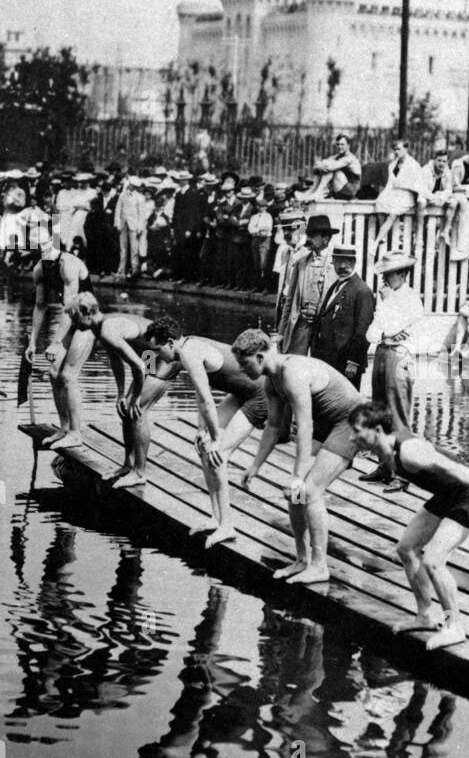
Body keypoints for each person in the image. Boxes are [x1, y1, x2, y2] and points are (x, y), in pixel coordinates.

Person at [349, 401, 469, 650]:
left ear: (377, 430)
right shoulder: (386, 450)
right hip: (447, 494)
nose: (351, 436)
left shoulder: (410, 452)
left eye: (356, 431)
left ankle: (454, 626)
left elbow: (462, 471)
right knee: (406, 549)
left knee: (433, 559)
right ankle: (425, 615)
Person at [235, 329, 365, 586]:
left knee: (309, 490)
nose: (240, 370)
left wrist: (297, 474)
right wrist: (255, 466)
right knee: (294, 495)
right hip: (328, 422)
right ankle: (302, 560)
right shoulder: (271, 381)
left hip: (352, 422)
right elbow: (273, 427)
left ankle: (320, 566)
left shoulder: (292, 374)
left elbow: (304, 426)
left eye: (244, 363)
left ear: (260, 357)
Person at [143, 318, 269, 550]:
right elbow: (200, 396)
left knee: (217, 453)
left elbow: (207, 400)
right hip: (240, 392)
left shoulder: (189, 353)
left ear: (170, 342)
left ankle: (228, 525)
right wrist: (203, 431)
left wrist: (215, 437)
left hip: (260, 396)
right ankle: (216, 518)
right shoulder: (185, 349)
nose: (157, 355)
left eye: (158, 350)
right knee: (204, 448)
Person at [66, 295, 176, 488]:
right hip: (149, 354)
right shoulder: (101, 327)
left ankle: (139, 472)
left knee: (137, 411)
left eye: (74, 317)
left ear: (86, 313)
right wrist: (120, 394)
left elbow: (139, 367)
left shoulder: (107, 330)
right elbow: (116, 360)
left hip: (163, 354)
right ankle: (128, 465)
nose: (73, 323)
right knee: (126, 408)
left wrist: (134, 397)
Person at [27, 228, 94, 450]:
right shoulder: (39, 269)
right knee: (53, 373)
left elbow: (69, 307)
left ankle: (76, 433)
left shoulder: (68, 265)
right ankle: (65, 428)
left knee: (67, 376)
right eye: (38, 247)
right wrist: (32, 343)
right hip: (70, 321)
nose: (43, 250)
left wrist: (56, 342)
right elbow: (40, 306)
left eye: (46, 245)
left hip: (87, 323)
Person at [362, 251, 423, 486]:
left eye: (390, 274)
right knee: (379, 414)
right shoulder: (387, 298)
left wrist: (385, 329)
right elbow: (373, 332)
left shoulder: (409, 299)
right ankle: (385, 466)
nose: (385, 279)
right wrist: (384, 330)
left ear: (403, 274)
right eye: (384, 274)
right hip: (381, 354)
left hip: (399, 357)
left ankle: (403, 474)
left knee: (398, 418)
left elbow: (389, 329)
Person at [309, 244, 375, 385]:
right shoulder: (335, 287)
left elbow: (363, 330)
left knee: (346, 404)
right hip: (327, 358)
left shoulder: (362, 291)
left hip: (345, 362)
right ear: (333, 261)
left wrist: (354, 362)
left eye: (348, 261)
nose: (343, 266)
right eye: (338, 261)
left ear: (354, 262)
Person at [276, 214, 338, 354]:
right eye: (308, 234)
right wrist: (281, 332)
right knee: (295, 364)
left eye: (312, 235)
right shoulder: (301, 263)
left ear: (325, 238)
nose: (308, 239)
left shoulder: (335, 265)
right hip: (300, 324)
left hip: (323, 327)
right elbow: (290, 300)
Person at [373, 138, 424, 251]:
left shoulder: (413, 165)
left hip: (408, 195)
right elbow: (390, 184)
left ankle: (377, 241)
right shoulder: (392, 165)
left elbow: (419, 185)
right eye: (395, 149)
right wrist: (383, 195)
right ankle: (383, 234)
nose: (397, 152)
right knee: (379, 202)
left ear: (406, 149)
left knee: (393, 212)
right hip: (394, 193)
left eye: (399, 149)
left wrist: (419, 200)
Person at [300, 133, 361, 202]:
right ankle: (312, 191)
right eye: (338, 144)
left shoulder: (350, 158)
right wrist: (319, 166)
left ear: (348, 146)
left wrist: (320, 165)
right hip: (339, 189)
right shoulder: (336, 156)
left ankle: (317, 193)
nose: (339, 147)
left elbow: (330, 168)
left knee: (331, 169)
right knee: (325, 166)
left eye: (342, 144)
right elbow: (316, 169)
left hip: (350, 191)